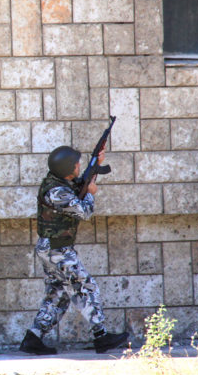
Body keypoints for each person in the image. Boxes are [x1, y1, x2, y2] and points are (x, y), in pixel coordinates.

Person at [19, 145, 129, 355]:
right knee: (86, 286)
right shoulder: (56, 192)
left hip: (54, 248)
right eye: (77, 165)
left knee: (58, 295)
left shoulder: (60, 181)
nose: (79, 167)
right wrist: (90, 193)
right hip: (56, 250)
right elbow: (84, 211)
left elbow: (80, 183)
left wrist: (95, 165)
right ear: (68, 169)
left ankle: (33, 338)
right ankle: (101, 337)